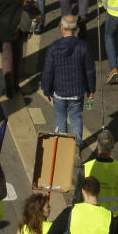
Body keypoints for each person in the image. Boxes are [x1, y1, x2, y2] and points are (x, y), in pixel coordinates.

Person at [41, 15, 95, 144]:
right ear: (76, 28)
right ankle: (77, 145)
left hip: (59, 92)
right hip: (77, 92)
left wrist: (46, 90)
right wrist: (91, 90)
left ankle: (62, 147)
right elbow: (89, 70)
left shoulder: (53, 48)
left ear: (61, 27)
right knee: (76, 118)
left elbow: (48, 71)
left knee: (60, 119)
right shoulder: (83, 46)